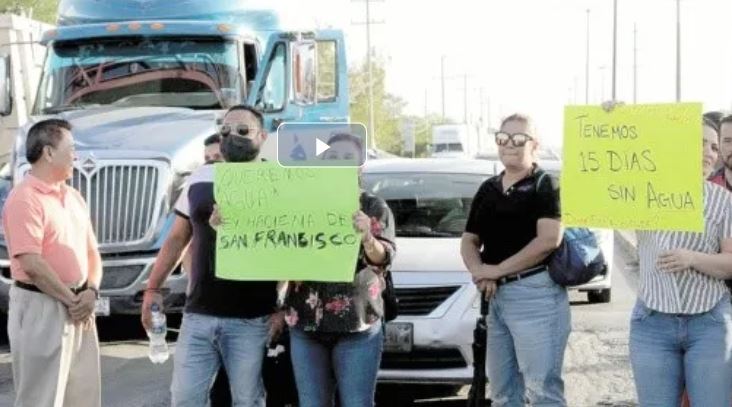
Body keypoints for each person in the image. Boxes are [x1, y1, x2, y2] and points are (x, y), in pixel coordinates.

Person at [141, 105, 284, 407]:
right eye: (226, 130)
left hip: (251, 317)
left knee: (247, 399)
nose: (233, 136)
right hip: (199, 314)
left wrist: (282, 304)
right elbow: (177, 238)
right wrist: (153, 288)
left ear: (262, 136)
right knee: (185, 398)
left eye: (243, 130)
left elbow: (291, 245)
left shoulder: (278, 181)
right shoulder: (200, 178)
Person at [461, 113, 569, 406]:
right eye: (503, 138)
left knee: (542, 390)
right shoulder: (488, 189)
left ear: (535, 144)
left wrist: (495, 271)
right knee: (503, 393)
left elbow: (549, 240)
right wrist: (479, 272)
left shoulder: (546, 185)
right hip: (495, 298)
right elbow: (470, 240)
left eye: (519, 138)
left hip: (536, 297)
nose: (509, 144)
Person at [283, 132, 396, 407]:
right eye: (333, 157)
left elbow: (383, 258)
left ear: (360, 165)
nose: (340, 163)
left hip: (357, 323)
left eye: (348, 158)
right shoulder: (302, 203)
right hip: (305, 322)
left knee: (357, 402)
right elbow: (278, 248)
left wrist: (367, 237)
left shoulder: (373, 206)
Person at [629, 116, 732, 406]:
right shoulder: (643, 192)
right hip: (651, 323)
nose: (709, 152)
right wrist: (616, 117)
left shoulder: (722, 201)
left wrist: (692, 258)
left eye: (714, 146)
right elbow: (614, 168)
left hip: (709, 323)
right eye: (700, 143)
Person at [3, 118, 103, 407]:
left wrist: (91, 292)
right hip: (42, 308)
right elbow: (31, 263)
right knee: (41, 399)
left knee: (83, 398)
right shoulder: (24, 199)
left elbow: (92, 254)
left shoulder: (73, 197)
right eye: (71, 148)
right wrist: (73, 301)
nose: (76, 155)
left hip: (79, 306)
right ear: (48, 152)